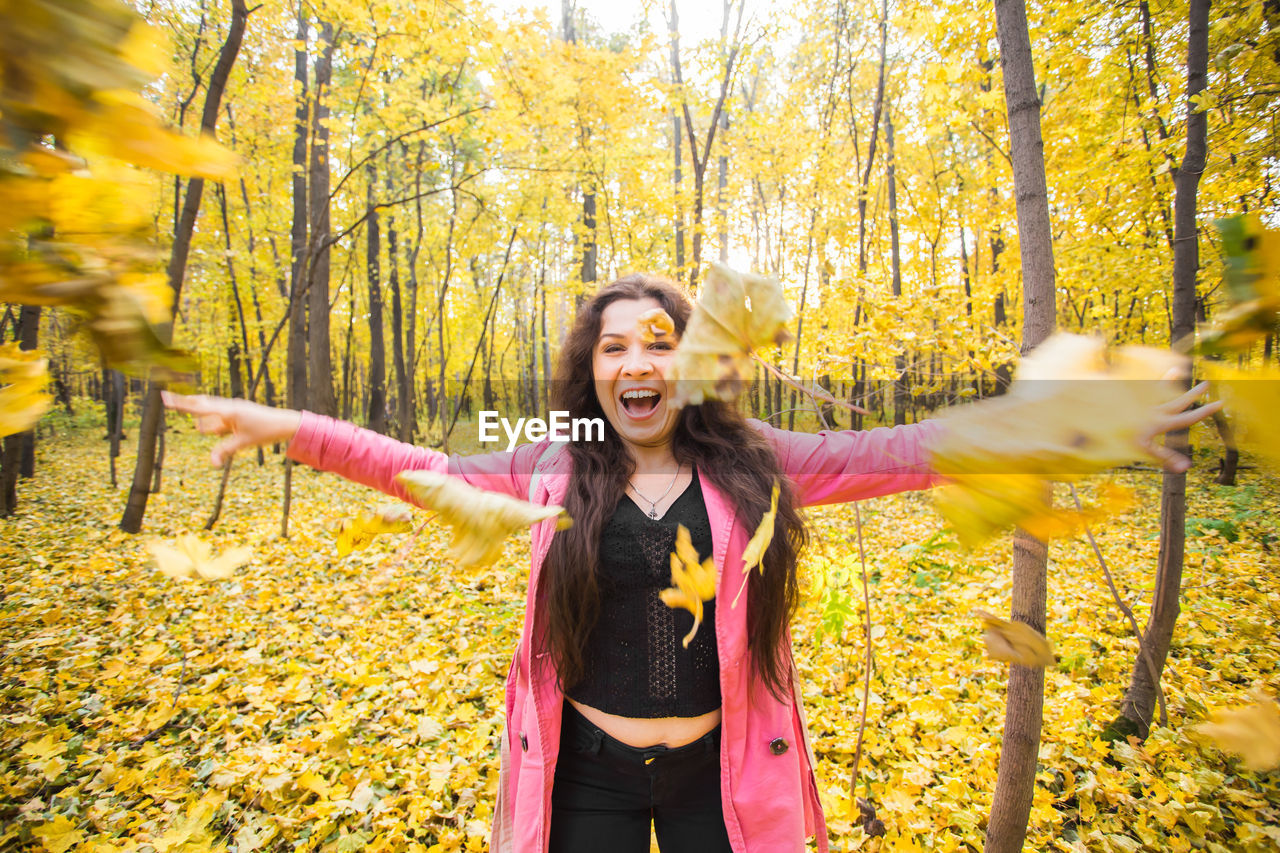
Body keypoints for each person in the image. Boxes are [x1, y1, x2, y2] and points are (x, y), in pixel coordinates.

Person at [163, 273, 1216, 853]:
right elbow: (420, 467)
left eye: (657, 340)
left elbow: (904, 448)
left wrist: (1076, 414)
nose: (636, 360)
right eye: (614, 345)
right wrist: (291, 424)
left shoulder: (753, 460)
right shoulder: (553, 460)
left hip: (724, 778)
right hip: (584, 778)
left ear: (688, 363)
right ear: (591, 370)